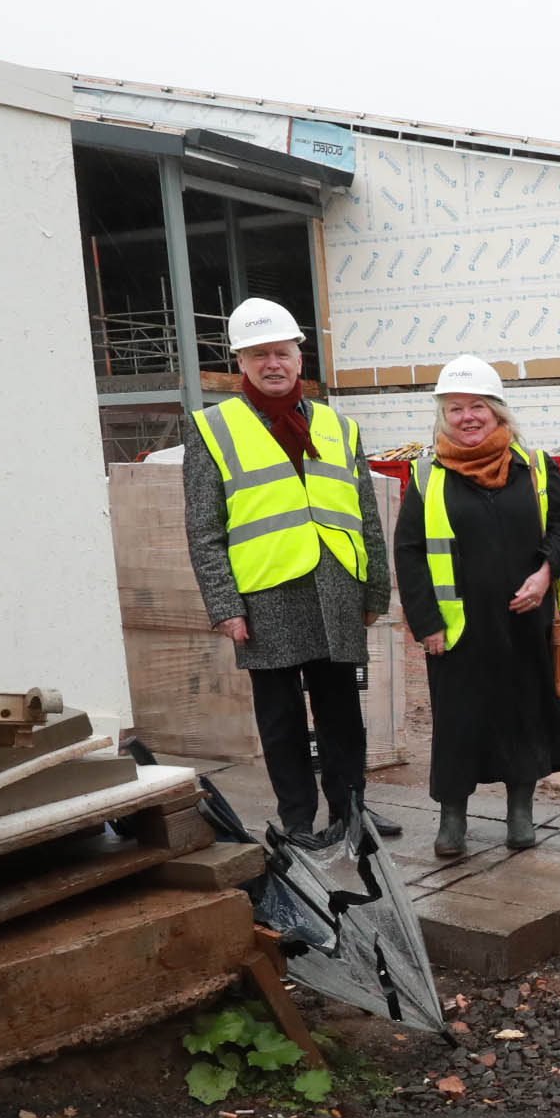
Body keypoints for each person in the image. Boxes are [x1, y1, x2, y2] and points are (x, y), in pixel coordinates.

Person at [181, 297, 396, 841]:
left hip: (335, 587)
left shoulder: (338, 426)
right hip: (265, 595)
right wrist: (225, 606)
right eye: (259, 355)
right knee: (280, 721)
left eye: (281, 353)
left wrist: (375, 591)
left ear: (300, 359)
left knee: (341, 713)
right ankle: (297, 820)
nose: (272, 364)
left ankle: (351, 813)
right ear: (241, 363)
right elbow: (204, 528)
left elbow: (366, 516)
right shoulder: (212, 428)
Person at [393, 357, 560, 857]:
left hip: (526, 623)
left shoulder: (536, 467)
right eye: (455, 408)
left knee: (525, 715)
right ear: (443, 416)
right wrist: (426, 623)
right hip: (458, 630)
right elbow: (410, 553)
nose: (467, 417)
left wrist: (545, 574)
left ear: (497, 410)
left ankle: (520, 813)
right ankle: (452, 819)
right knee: (458, 725)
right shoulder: (427, 476)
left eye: (477, 406)